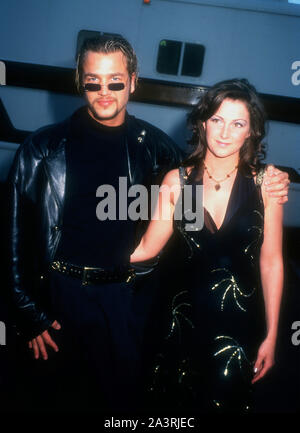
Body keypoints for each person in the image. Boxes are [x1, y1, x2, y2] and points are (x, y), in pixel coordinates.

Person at [6, 35, 183, 412]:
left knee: (118, 407)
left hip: (122, 300)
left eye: (115, 80)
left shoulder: (157, 147)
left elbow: (206, 189)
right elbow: (11, 237)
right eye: (93, 81)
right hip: (56, 298)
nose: (104, 91)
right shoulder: (40, 149)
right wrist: (27, 313)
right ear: (79, 81)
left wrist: (264, 177)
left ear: (133, 81)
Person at [131, 79, 285, 413]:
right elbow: (147, 248)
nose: (225, 132)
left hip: (238, 332)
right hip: (176, 326)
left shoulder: (266, 184)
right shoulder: (178, 181)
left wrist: (272, 335)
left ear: (251, 132)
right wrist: (85, 254)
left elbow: (271, 261)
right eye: (217, 119)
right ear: (202, 123)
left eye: (237, 123)